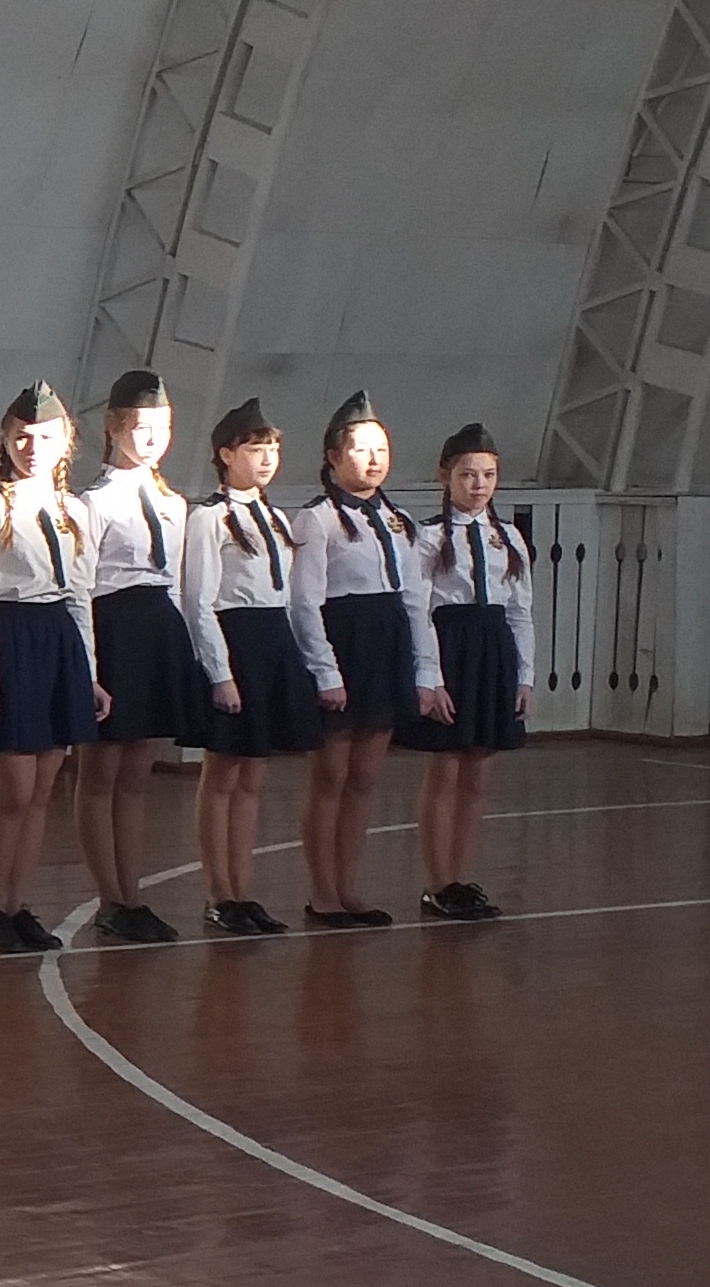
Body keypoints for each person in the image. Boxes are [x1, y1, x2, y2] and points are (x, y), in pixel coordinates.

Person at [0, 382, 102, 955]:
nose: (31, 448)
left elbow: (80, 594)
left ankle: (18, 905)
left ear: (65, 442)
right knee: (13, 790)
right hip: (9, 636)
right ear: (5, 439)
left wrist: (88, 672)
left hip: (56, 637)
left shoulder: (74, 510)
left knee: (41, 790)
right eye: (21, 437)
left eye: (43, 437)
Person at [74, 369, 213, 946]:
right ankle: (110, 896)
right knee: (99, 772)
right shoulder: (92, 502)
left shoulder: (173, 502)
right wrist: (88, 664)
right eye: (139, 426)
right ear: (112, 427)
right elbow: (82, 586)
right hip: (112, 628)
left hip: (157, 629)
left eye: (163, 427)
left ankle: (133, 894)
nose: (152, 438)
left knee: (137, 775)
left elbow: (177, 582)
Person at [295, 391, 437, 930]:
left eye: (382, 448)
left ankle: (350, 887)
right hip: (344, 643)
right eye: (361, 449)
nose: (374, 459)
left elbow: (416, 599)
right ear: (334, 457)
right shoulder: (317, 520)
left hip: (386, 645)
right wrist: (325, 671)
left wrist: (426, 671)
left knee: (365, 776)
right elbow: (305, 602)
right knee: (331, 775)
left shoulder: (398, 520)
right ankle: (322, 892)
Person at [185, 399, 322, 937]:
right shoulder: (208, 518)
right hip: (235, 640)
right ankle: (218, 892)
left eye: (272, 449)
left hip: (272, 642)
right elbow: (199, 601)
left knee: (253, 776)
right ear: (226, 454)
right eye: (254, 448)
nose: (266, 459)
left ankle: (244, 890)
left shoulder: (275, 517)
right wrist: (220, 672)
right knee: (222, 773)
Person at [394, 422, 534, 922]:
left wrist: (524, 675)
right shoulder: (429, 537)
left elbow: (520, 610)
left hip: (493, 650)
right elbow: (418, 610)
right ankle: (437, 882)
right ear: (445, 476)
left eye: (488, 475)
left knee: (478, 772)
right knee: (446, 769)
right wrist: (429, 676)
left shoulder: (508, 537)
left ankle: (459, 876)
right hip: (451, 648)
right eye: (468, 474)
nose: (478, 485)